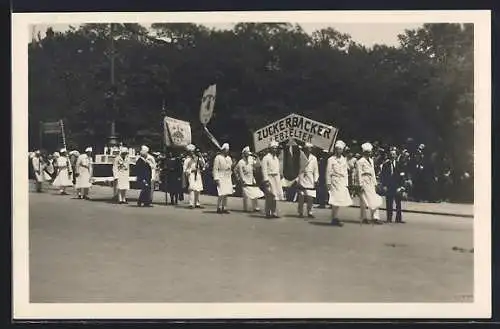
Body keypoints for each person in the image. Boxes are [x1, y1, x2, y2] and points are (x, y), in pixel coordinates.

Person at [325, 140, 352, 226]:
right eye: (337, 149)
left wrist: (346, 184)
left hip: (341, 182)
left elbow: (345, 173)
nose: (338, 151)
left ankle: (335, 217)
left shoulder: (344, 160)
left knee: (339, 200)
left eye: (340, 149)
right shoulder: (331, 160)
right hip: (334, 181)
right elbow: (328, 172)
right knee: (334, 200)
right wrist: (328, 183)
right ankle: (334, 218)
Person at [356, 142, 383, 224]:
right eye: (367, 152)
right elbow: (359, 173)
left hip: (370, 181)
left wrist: (375, 183)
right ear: (364, 152)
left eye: (369, 152)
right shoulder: (360, 161)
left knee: (374, 199)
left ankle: (375, 217)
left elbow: (373, 172)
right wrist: (360, 184)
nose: (368, 154)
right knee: (363, 201)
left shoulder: (371, 160)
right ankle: (363, 217)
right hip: (364, 181)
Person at [380, 147, 406, 223]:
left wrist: (401, 187)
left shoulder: (399, 164)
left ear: (396, 155)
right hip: (389, 186)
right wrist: (384, 185)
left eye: (394, 154)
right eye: (391, 154)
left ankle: (398, 219)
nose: (392, 155)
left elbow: (402, 176)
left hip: (397, 186)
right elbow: (383, 176)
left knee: (398, 203)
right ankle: (389, 218)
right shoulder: (386, 164)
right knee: (389, 203)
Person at [236, 146, 264, 212]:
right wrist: (242, 180)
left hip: (251, 179)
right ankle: (245, 208)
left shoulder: (251, 159)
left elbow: (258, 165)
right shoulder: (241, 162)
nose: (248, 155)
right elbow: (240, 172)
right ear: (244, 154)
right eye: (246, 153)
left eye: (248, 154)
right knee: (245, 194)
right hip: (244, 179)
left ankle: (255, 207)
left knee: (255, 193)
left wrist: (257, 158)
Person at [261, 140, 284, 218]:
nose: (275, 149)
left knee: (275, 196)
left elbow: (277, 169)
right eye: (273, 148)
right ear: (270, 149)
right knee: (269, 196)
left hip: (276, 178)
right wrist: (266, 180)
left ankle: (274, 212)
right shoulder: (266, 158)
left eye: (276, 148)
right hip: (269, 178)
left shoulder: (276, 158)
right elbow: (264, 170)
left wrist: (279, 176)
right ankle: (268, 212)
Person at [297, 142, 319, 219]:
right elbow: (297, 168)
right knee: (301, 196)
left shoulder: (314, 158)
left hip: (310, 178)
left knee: (310, 197)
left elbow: (316, 170)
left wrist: (316, 179)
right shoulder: (300, 157)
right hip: (302, 176)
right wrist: (297, 179)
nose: (309, 150)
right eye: (307, 148)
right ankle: (300, 212)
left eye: (310, 148)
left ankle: (310, 212)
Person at [213, 143, 234, 214]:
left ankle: (224, 207)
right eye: (226, 150)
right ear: (223, 150)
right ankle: (218, 207)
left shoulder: (229, 158)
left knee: (226, 193)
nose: (227, 152)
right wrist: (216, 178)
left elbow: (230, 166)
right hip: (220, 176)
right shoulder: (218, 157)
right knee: (221, 193)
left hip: (227, 176)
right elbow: (215, 169)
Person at [183, 144, 205, 209]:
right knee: (192, 189)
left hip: (198, 174)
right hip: (191, 175)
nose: (192, 153)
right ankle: (191, 203)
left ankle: (197, 203)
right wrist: (191, 170)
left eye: (193, 152)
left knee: (198, 189)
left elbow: (203, 165)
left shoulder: (198, 158)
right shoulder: (187, 160)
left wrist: (201, 157)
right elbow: (184, 170)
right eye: (191, 152)